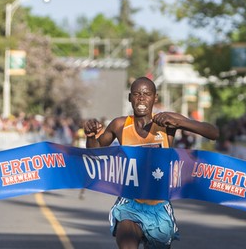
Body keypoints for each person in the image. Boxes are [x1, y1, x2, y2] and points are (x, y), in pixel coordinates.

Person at [84, 77, 219, 249]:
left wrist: (180, 122)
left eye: (147, 94)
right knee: (127, 244)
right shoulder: (119, 125)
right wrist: (90, 136)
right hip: (129, 203)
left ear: (155, 98)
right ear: (130, 98)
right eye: (137, 94)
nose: (141, 98)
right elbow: (94, 154)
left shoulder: (168, 122)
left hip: (159, 207)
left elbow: (213, 133)